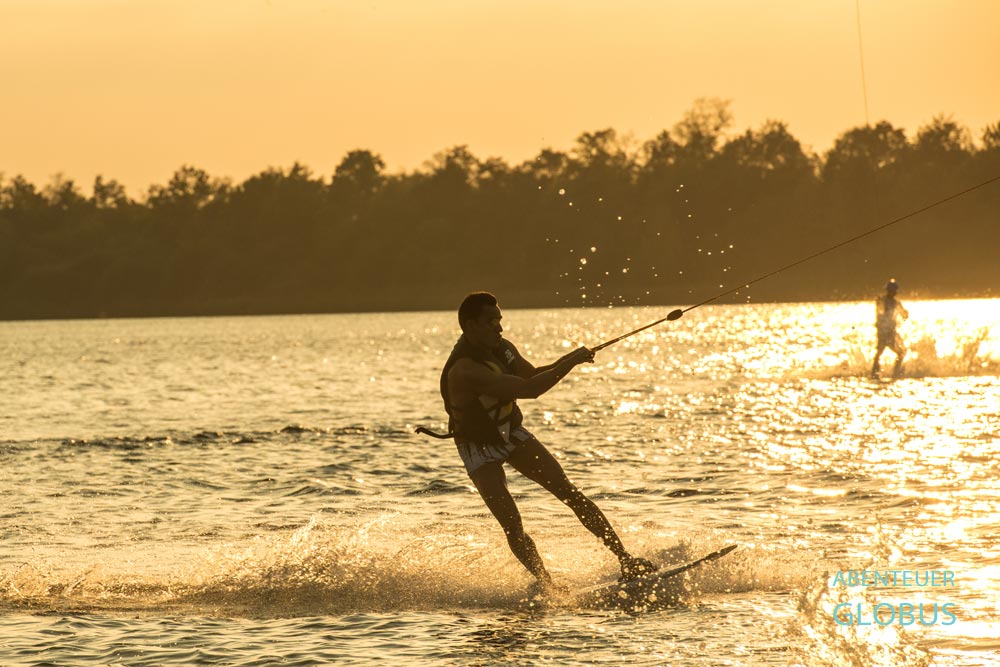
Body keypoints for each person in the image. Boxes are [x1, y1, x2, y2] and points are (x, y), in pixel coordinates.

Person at [438, 292, 656, 592]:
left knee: (569, 492)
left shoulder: (502, 349)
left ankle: (626, 560)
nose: (499, 329)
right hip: (478, 447)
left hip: (510, 432)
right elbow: (532, 390)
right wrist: (572, 363)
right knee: (513, 525)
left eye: (500, 321)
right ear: (471, 326)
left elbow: (532, 374)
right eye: (492, 323)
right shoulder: (465, 370)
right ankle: (549, 586)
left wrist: (571, 358)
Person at [871, 279, 909, 378]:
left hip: (891, 332)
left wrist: (905, 314)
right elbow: (880, 313)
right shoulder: (883, 301)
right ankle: (879, 373)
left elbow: (904, 315)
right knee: (881, 352)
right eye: (892, 290)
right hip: (885, 332)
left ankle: (895, 372)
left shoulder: (896, 303)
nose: (894, 292)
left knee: (901, 352)